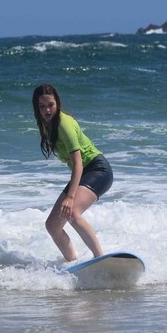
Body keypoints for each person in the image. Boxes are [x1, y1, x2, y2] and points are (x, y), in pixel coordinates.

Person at [32, 84, 113, 262]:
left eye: (50, 105)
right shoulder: (47, 124)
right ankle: (72, 262)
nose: (47, 110)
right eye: (42, 106)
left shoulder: (64, 124)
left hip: (98, 169)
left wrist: (70, 197)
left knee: (72, 212)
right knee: (53, 225)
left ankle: (101, 259)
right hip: (84, 173)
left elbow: (77, 163)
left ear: (57, 103)